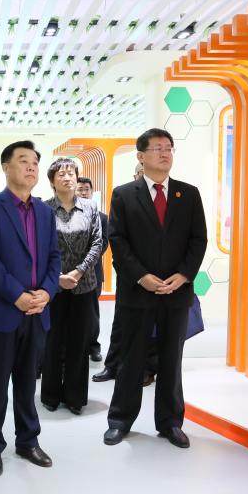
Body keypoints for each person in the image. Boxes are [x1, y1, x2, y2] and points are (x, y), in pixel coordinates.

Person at [103, 129, 207, 449]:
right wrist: (141, 276)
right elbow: (118, 241)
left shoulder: (188, 194)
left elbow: (198, 240)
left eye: (169, 148)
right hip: (138, 292)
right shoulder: (124, 194)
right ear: (141, 156)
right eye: (158, 148)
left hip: (177, 292)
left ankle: (171, 422)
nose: (165, 153)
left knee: (171, 360)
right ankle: (120, 421)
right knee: (131, 359)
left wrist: (184, 275)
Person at [0, 141, 61, 477]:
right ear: (6, 167)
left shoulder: (45, 212)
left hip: (37, 311)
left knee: (27, 383)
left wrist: (47, 292)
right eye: (23, 160)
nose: (31, 166)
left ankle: (28, 440)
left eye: (35, 161)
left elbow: (54, 257)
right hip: (2, 310)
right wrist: (17, 295)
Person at [40, 160, 103, 415]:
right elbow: (38, 248)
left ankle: (75, 396)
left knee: (80, 341)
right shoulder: (43, 209)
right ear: (52, 181)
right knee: (53, 340)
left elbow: (97, 243)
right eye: (61, 174)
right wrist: (58, 277)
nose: (67, 177)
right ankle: (51, 394)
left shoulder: (90, 207)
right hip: (53, 286)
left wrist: (78, 271)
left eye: (71, 173)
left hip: (83, 284)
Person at [92, 161, 158, 387]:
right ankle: (113, 365)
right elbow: (117, 237)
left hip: (161, 276)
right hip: (131, 273)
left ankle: (148, 369)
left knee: (154, 325)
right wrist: (135, 272)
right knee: (121, 323)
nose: (145, 175)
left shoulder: (168, 198)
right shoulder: (125, 196)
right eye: (141, 172)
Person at [76, 176, 108, 362]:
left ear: (91, 192)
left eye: (86, 189)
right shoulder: (68, 215)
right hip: (70, 273)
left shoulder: (102, 218)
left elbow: (103, 245)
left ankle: (93, 347)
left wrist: (84, 263)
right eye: (79, 189)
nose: (83, 192)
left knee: (92, 313)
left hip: (93, 273)